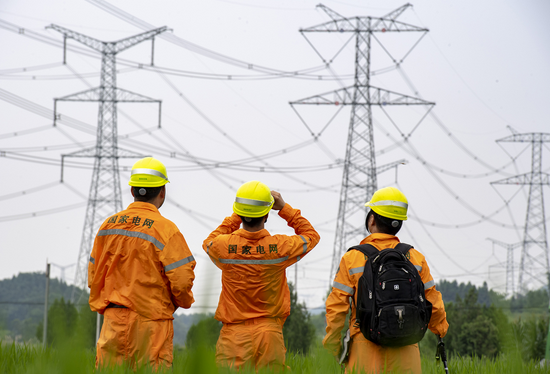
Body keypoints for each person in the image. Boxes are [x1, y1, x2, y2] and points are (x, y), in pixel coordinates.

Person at [323, 186, 448, 374]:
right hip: (407, 346)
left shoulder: (353, 258)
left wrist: (332, 345)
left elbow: (337, 308)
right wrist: (440, 331)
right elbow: (433, 302)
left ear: (372, 219)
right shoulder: (415, 258)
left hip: (365, 346)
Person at [88, 157, 196, 370]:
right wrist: (178, 302)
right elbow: (182, 280)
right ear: (162, 192)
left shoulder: (107, 226)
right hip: (151, 323)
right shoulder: (167, 230)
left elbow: (93, 275)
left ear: (132, 191)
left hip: (112, 322)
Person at [203, 180, 320, 371]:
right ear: (266, 214)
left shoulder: (223, 247)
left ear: (240, 213)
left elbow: (209, 241)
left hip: (234, 335)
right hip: (269, 335)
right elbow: (311, 235)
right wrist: (284, 209)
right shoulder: (280, 247)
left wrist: (237, 215)